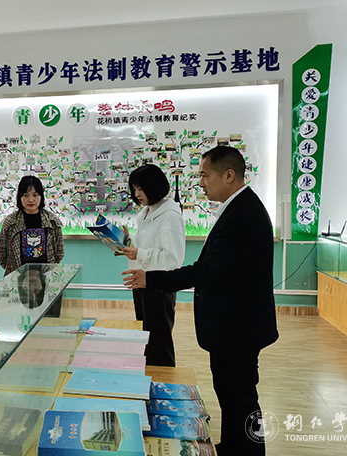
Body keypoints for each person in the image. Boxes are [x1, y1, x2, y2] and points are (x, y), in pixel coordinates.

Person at [122, 146, 278, 456]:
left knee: (240, 398)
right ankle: (231, 446)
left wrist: (151, 279)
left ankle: (246, 450)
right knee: (230, 395)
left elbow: (205, 270)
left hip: (238, 326)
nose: (201, 182)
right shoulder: (238, 208)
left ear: (229, 175)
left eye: (205, 176)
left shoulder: (242, 216)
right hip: (233, 324)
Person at [121, 164, 185, 367]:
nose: (137, 194)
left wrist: (139, 253)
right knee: (147, 339)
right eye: (134, 189)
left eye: (141, 188)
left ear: (155, 186)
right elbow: (148, 246)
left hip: (158, 286)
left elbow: (173, 259)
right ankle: (148, 378)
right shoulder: (147, 212)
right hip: (142, 283)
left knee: (159, 343)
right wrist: (128, 240)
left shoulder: (170, 215)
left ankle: (164, 381)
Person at [0, 175, 64, 276]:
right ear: (20, 197)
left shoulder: (52, 221)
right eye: (26, 195)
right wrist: (12, 268)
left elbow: (59, 252)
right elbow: (1, 254)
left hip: (46, 276)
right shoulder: (10, 222)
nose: (31, 200)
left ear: (41, 196)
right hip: (17, 277)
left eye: (35, 195)